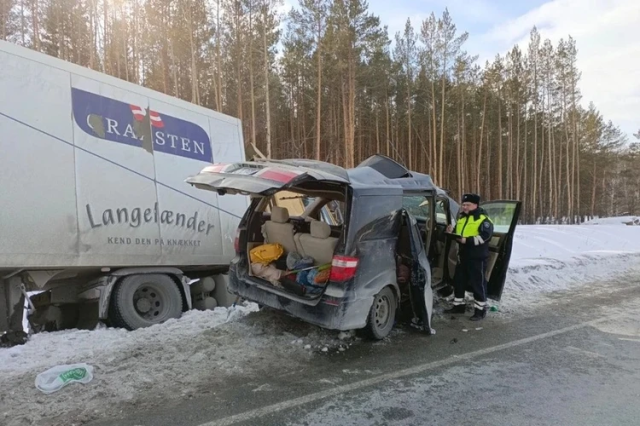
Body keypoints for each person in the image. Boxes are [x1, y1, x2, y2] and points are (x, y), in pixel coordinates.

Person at [444, 193, 494, 321]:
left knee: (478, 284)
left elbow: (486, 237)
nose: (464, 207)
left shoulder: (484, 220)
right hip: (463, 257)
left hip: (477, 258)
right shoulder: (462, 219)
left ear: (475, 205)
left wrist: (468, 241)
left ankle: (480, 310)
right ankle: (459, 306)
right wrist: (451, 232)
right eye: (463, 204)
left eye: (468, 205)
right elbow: (458, 234)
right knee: (458, 282)